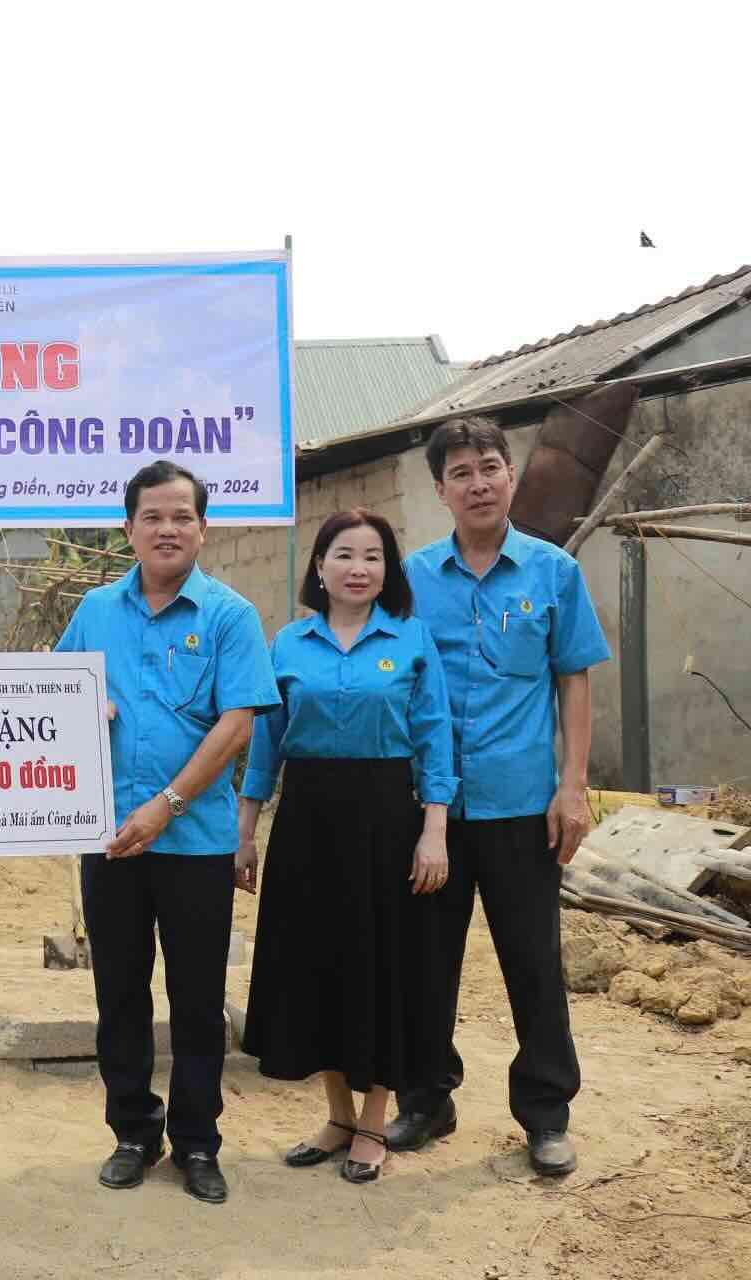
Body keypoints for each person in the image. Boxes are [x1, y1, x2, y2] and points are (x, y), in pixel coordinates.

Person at [385, 418, 610, 1177]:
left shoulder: (552, 573)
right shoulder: (411, 580)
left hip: (521, 805)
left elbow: (573, 677)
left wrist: (571, 787)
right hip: (432, 813)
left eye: (490, 467)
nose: (478, 483)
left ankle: (545, 1114)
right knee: (424, 960)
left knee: (533, 963)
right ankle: (426, 1099)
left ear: (509, 476)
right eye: (461, 473)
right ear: (439, 489)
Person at [54, 459, 277, 1205]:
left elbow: (236, 723)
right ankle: (132, 1131)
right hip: (109, 839)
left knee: (197, 998)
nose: (168, 529)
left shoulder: (229, 616)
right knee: (119, 993)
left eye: (182, 516)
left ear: (203, 528)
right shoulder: (95, 611)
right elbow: (51, 702)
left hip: (195, 843)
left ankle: (196, 1142)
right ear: (129, 529)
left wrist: (167, 806)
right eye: (152, 516)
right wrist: (85, 714)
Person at [236, 508, 455, 1183]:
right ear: (320, 568)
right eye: (345, 555)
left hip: (386, 819)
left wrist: (435, 831)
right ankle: (336, 1115)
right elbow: (264, 746)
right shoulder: (288, 645)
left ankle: (373, 1121)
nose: (359, 568)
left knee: (379, 966)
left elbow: (434, 737)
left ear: (386, 572)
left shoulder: (411, 640)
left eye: (373, 557)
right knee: (314, 963)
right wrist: (245, 832)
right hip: (305, 821)